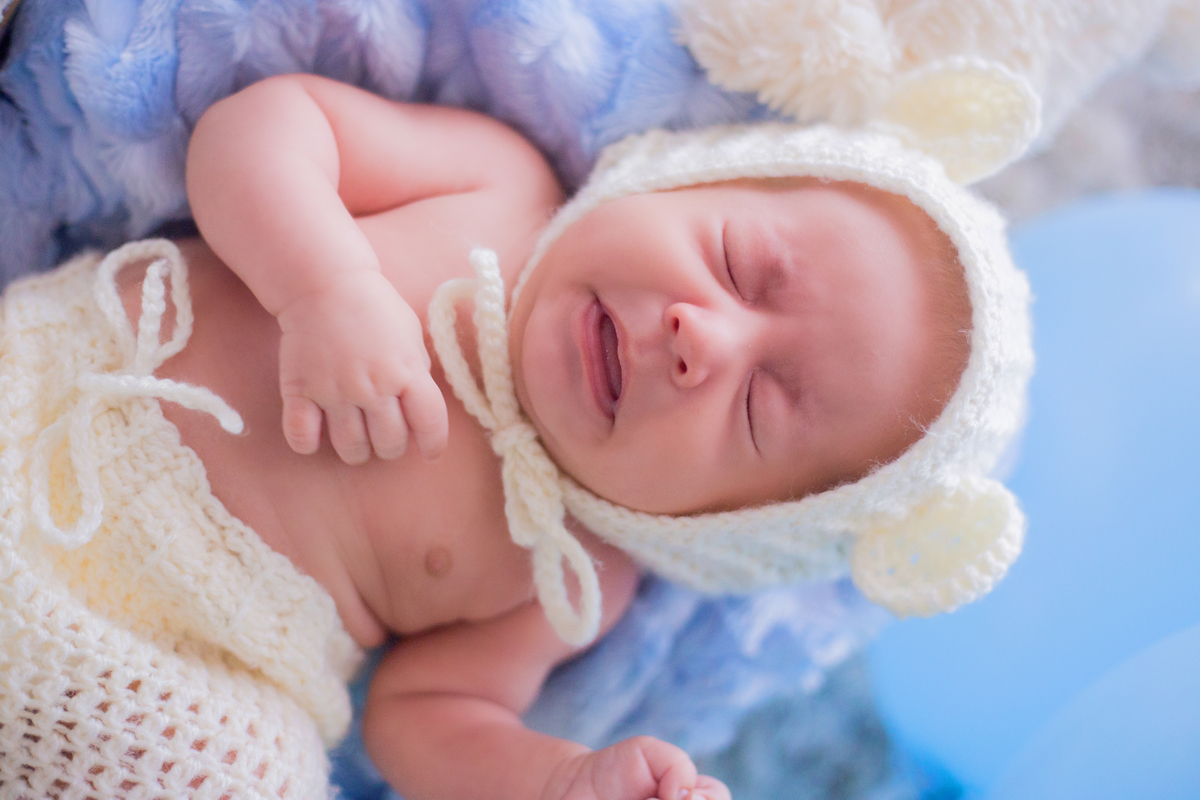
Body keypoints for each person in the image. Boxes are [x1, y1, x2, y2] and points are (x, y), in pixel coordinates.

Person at [0, 73, 1031, 799]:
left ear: (715, 523)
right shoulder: (500, 187)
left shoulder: (574, 568)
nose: (699, 334)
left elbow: (418, 718)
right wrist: (326, 287)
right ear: (678, 178)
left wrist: (558, 775)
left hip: (174, 665)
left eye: (760, 406)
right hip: (53, 414)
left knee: (250, 776)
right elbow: (264, 130)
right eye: (734, 257)